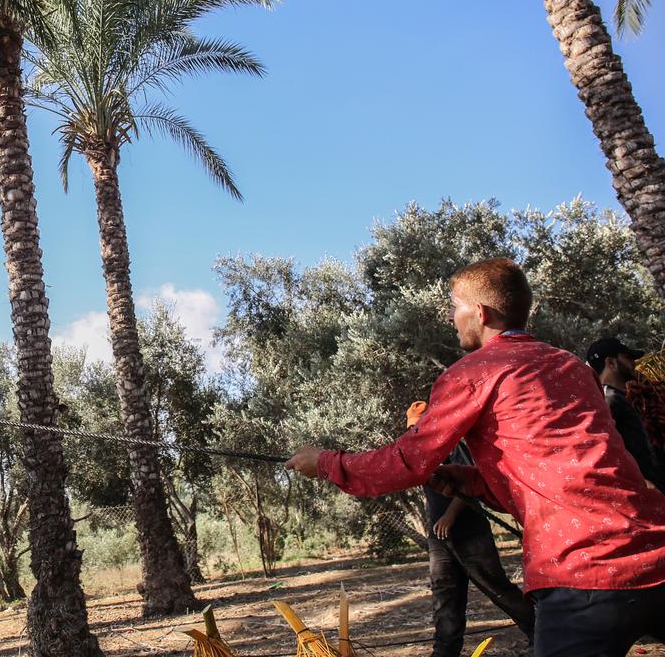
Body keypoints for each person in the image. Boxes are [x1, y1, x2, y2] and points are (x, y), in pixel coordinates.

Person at [283, 258, 665, 656]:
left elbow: (406, 461)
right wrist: (475, 482)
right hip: (656, 549)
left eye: (454, 306)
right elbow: (577, 466)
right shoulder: (571, 366)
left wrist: (325, 462)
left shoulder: (473, 373)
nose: (452, 318)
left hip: (583, 574)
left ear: (480, 313)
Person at [406, 402, 534, 656]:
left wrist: (450, 515)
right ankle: (445, 650)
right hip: (440, 538)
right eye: (411, 428)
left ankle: (541, 632)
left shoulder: (453, 446)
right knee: (444, 592)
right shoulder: (418, 454)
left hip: (470, 532)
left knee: (495, 587)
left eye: (419, 426)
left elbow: (472, 482)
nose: (415, 432)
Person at [588, 337, 665, 489]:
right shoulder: (608, 399)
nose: (634, 363)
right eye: (628, 358)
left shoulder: (620, 397)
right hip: (646, 491)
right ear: (611, 363)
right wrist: (643, 482)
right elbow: (602, 448)